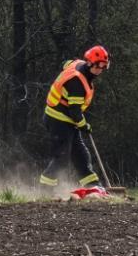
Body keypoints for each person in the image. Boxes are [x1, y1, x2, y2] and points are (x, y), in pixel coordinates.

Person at [39, 45, 110, 190]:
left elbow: (65, 63)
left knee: (81, 155)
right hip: (58, 120)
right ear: (89, 63)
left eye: (104, 66)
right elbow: (75, 111)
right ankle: (45, 189)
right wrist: (84, 126)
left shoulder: (77, 63)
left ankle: (93, 186)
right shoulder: (77, 82)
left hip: (68, 121)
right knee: (62, 157)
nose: (101, 69)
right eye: (99, 66)